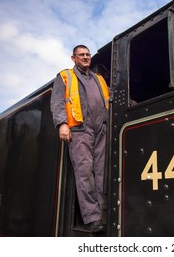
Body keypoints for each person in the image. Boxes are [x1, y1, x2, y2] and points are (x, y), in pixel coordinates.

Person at [50, 45, 109, 233]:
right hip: (80, 128)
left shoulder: (99, 78)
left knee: (101, 171)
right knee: (85, 171)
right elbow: (57, 101)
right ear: (73, 58)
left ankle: (104, 212)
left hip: (101, 128)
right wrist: (62, 124)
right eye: (81, 55)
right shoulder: (65, 76)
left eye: (88, 54)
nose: (85, 57)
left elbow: (109, 99)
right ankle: (93, 217)